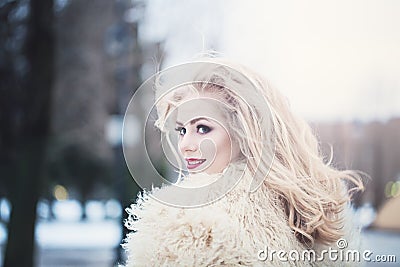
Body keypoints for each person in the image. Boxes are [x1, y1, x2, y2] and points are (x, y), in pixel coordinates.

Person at [122, 58, 364, 266]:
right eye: (182, 130)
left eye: (203, 128)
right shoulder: (314, 214)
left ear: (245, 133)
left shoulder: (188, 227)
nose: (185, 144)